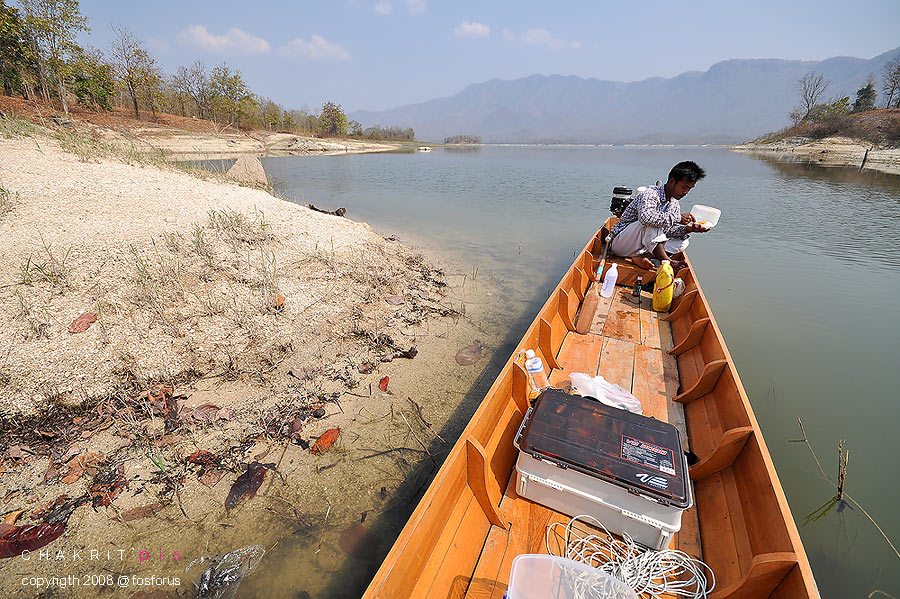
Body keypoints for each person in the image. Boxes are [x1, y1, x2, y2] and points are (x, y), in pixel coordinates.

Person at [609, 161, 708, 271]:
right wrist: (678, 218)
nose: (686, 192)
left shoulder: (674, 204)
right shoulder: (650, 194)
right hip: (620, 243)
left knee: (683, 242)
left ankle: (640, 257)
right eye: (684, 187)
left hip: (640, 245)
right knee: (651, 223)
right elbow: (646, 218)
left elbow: (666, 232)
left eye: (690, 188)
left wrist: (688, 229)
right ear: (672, 181)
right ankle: (667, 261)